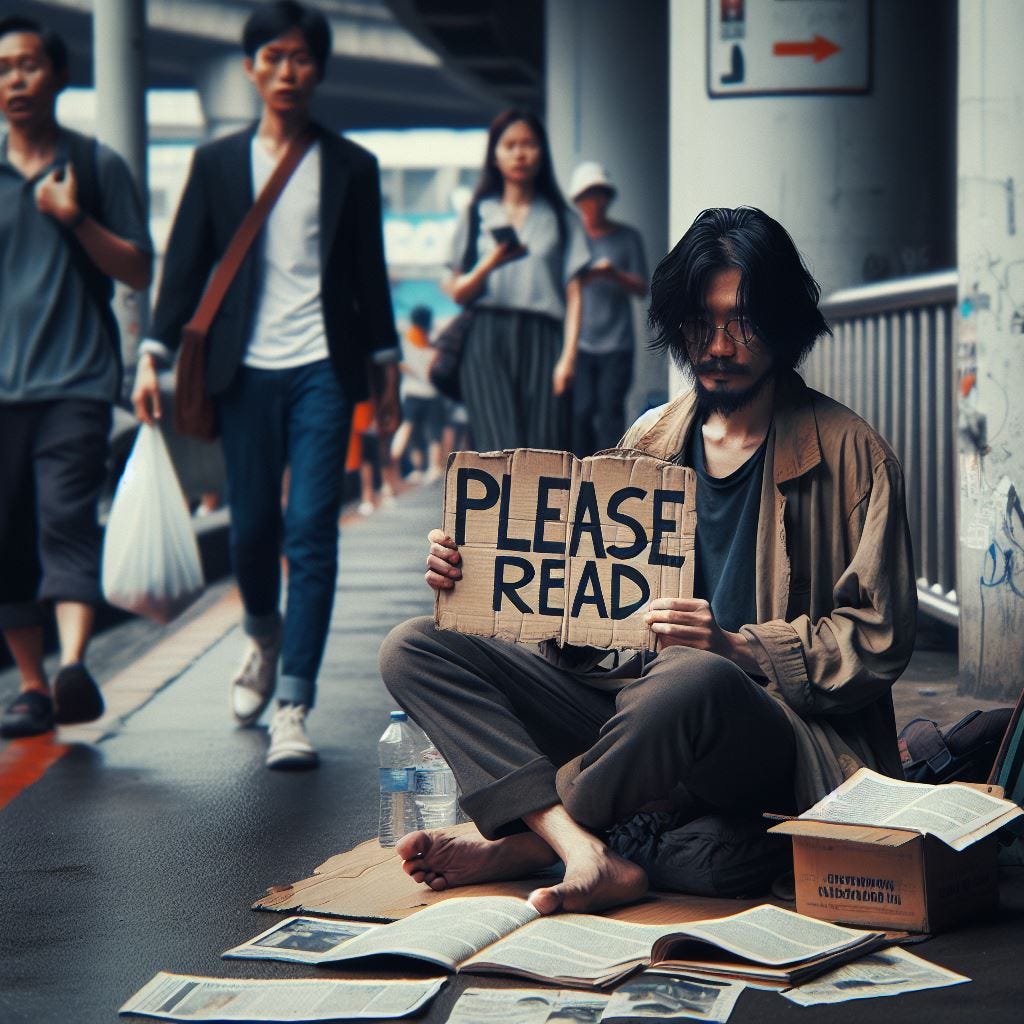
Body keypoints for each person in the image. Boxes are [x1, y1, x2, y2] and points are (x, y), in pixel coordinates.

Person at [379, 206, 917, 914]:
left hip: (763, 729)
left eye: (743, 321)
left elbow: (878, 638)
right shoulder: (646, 444)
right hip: (633, 718)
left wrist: (738, 646)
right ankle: (580, 844)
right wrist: (474, 574)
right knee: (414, 647)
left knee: (690, 675)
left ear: (784, 326)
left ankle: (531, 844)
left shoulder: (850, 454)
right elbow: (573, 619)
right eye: (700, 322)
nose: (718, 345)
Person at [132, 1, 399, 769]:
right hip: (241, 375)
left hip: (322, 367)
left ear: (319, 69)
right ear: (250, 68)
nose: (288, 70)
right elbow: (185, 266)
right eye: (273, 57)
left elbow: (369, 279)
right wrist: (150, 356)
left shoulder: (351, 166)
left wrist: (385, 375)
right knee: (252, 531)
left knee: (311, 527)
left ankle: (293, 701)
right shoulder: (216, 163)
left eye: (302, 58)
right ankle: (261, 634)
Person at [0, 16, 153, 738]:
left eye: (28, 66)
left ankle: (73, 664)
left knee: (64, 518)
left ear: (57, 76)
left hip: (77, 382)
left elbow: (137, 268)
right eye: (3, 70)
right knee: (7, 539)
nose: (15, 80)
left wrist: (74, 217)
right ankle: (32, 687)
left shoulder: (94, 166)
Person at [446, 109, 591, 452]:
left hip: (544, 338)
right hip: (485, 337)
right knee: (497, 448)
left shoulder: (561, 217)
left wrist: (568, 357)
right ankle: (496, 510)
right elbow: (458, 292)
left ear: (542, 152)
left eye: (528, 144)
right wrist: (491, 262)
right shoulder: (477, 213)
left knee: (544, 450)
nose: (519, 153)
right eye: (509, 145)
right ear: (494, 155)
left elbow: (575, 293)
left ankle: (534, 510)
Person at [568, 161, 648, 456]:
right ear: (578, 201)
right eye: (589, 195)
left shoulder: (627, 237)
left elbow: (642, 287)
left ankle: (606, 477)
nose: (595, 202)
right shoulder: (571, 239)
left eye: (600, 194)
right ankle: (577, 475)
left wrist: (613, 274)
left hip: (616, 342)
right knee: (579, 413)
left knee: (610, 411)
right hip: (579, 343)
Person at [390, 305, 445, 483]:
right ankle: (434, 467)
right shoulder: (433, 341)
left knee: (409, 428)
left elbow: (399, 364)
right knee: (434, 432)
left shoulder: (405, 340)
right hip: (431, 392)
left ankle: (408, 466)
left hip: (411, 391)